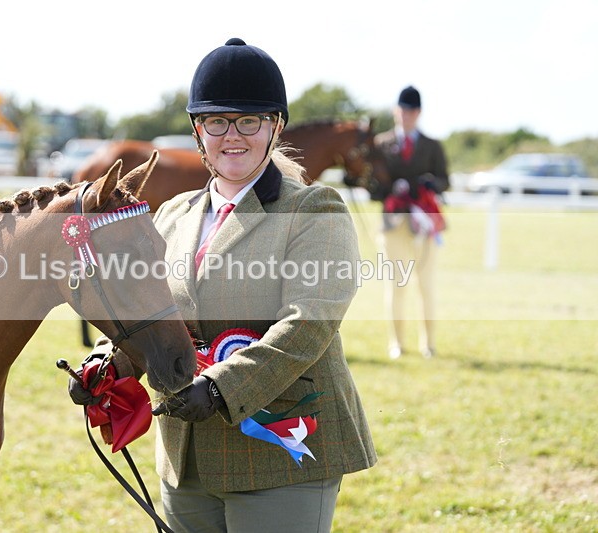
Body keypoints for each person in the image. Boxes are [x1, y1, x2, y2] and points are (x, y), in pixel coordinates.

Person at [69, 38, 376, 532]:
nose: (232, 136)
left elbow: (309, 324)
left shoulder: (314, 210)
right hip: (185, 457)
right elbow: (152, 314)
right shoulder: (171, 215)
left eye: (248, 121)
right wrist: (108, 363)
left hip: (281, 452)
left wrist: (219, 388)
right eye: (217, 122)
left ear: (275, 126)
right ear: (198, 131)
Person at [374, 86, 450, 360]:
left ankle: (428, 343)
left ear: (418, 113)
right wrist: (391, 190)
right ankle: (396, 343)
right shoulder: (381, 144)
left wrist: (431, 183)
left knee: (426, 286)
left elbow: (445, 180)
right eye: (402, 110)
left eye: (411, 111)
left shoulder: (432, 145)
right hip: (393, 225)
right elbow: (373, 186)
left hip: (424, 224)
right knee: (396, 286)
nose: (405, 116)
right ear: (397, 111)